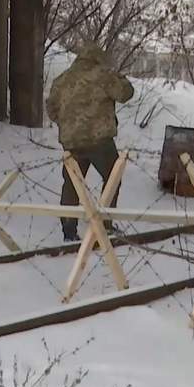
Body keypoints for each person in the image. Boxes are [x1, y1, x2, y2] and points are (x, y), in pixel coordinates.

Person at [47, 43, 135, 241]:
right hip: (99, 139)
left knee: (72, 183)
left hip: (71, 141)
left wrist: (69, 124)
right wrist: (120, 77)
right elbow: (126, 94)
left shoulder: (62, 79)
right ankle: (104, 224)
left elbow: (51, 110)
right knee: (112, 178)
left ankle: (69, 229)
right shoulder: (103, 75)